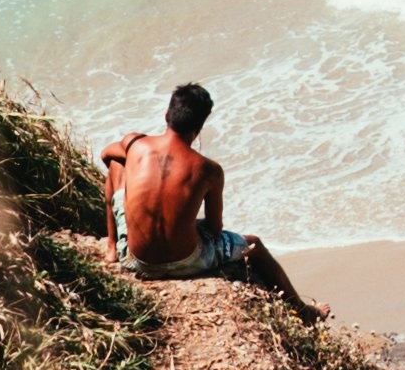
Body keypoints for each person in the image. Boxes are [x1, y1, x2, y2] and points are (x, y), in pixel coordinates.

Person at [102, 82, 293, 293]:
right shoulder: (209, 169)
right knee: (254, 245)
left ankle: (112, 248)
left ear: (167, 115)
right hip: (186, 262)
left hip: (135, 260)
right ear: (199, 127)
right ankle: (304, 311)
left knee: (116, 163)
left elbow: (106, 155)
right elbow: (214, 229)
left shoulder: (134, 143)